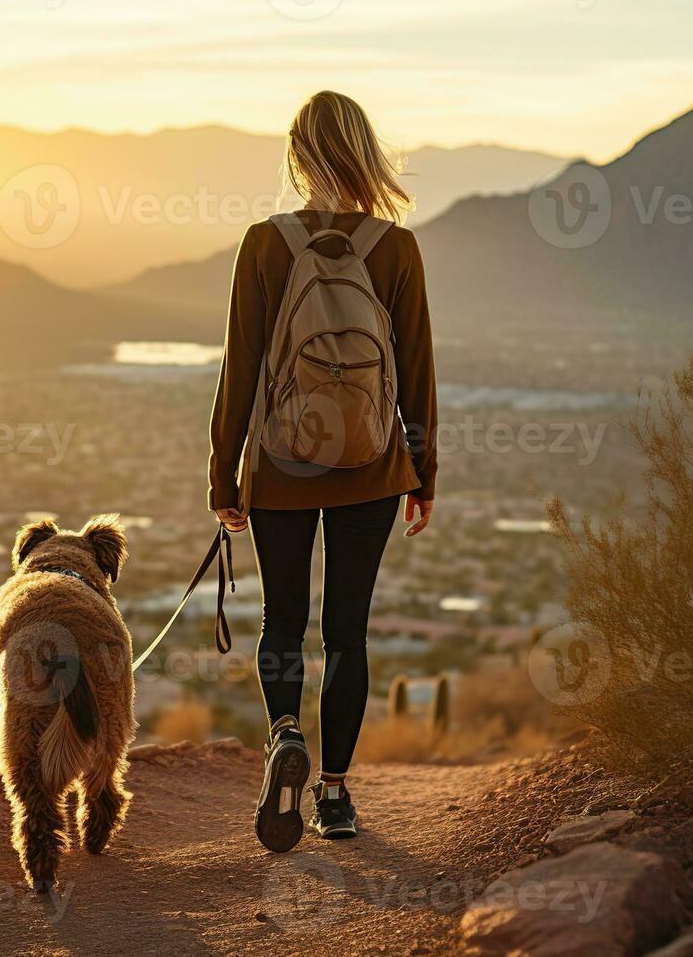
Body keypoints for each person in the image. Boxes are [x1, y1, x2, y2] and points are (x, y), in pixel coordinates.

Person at [207, 90, 437, 852]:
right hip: (372, 468)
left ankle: (283, 735)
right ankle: (334, 797)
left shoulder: (264, 243)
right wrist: (422, 471)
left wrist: (224, 476)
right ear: (363, 153)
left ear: (300, 156)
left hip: (279, 464)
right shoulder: (395, 248)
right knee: (347, 632)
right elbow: (417, 371)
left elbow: (240, 369)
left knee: (283, 619)